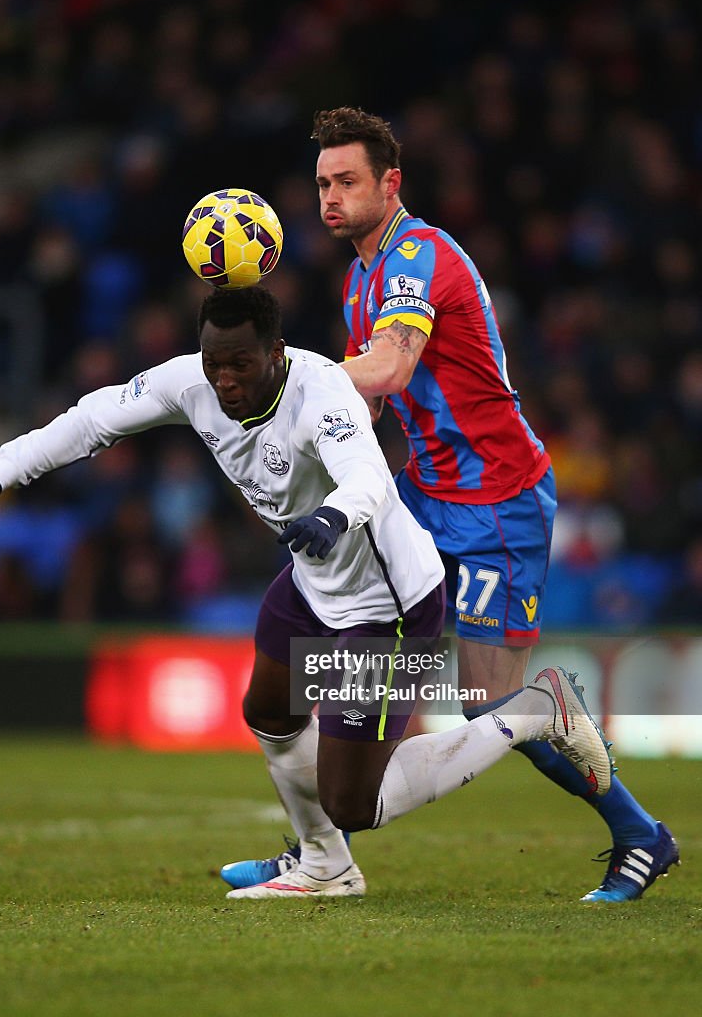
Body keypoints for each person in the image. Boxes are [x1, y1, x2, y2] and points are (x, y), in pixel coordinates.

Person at [0, 285, 612, 899]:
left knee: (354, 801)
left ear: (277, 352)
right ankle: (326, 866)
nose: (225, 379)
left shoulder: (323, 392)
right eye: (215, 364)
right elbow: (95, 416)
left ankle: (532, 710)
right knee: (268, 707)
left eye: (240, 363)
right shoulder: (192, 382)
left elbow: (365, 474)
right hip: (310, 579)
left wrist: (333, 515)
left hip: (388, 606)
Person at [223, 108, 679, 903]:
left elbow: (390, 369)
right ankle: (319, 852)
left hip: (499, 502)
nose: (331, 197)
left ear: (390, 183)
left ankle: (641, 834)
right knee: (327, 651)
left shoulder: (416, 258)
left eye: (348, 181)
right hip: (424, 494)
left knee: (491, 701)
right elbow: (362, 403)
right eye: (323, 183)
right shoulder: (359, 274)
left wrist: (282, 373)